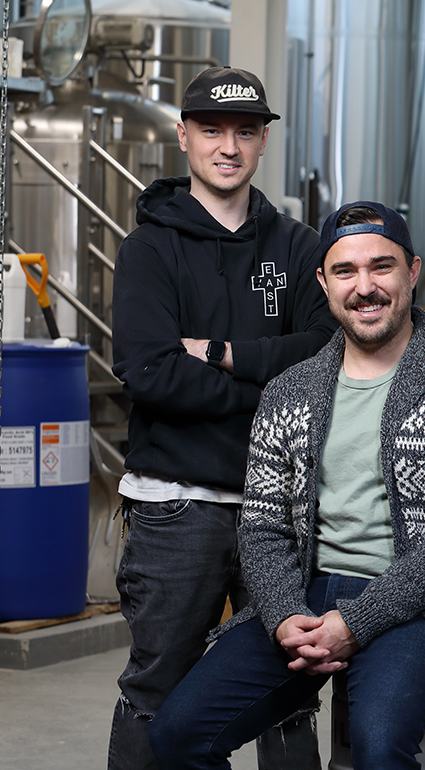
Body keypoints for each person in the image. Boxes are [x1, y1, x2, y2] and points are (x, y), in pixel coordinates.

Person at [148, 200, 425, 769]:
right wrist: (284, 615)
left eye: (381, 267)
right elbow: (263, 526)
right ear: (323, 282)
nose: (364, 287)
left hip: (422, 604)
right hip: (308, 597)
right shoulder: (289, 391)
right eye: (345, 271)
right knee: (177, 734)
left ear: (413, 272)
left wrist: (357, 621)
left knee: (378, 744)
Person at [109, 66, 338, 770]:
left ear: (264, 139)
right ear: (184, 136)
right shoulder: (149, 249)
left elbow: (326, 356)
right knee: (158, 683)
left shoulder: (298, 247)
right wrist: (270, 383)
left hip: (284, 507)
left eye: (245, 131)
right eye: (212, 130)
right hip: (179, 506)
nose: (228, 147)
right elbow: (150, 374)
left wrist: (221, 355)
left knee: (289, 689)